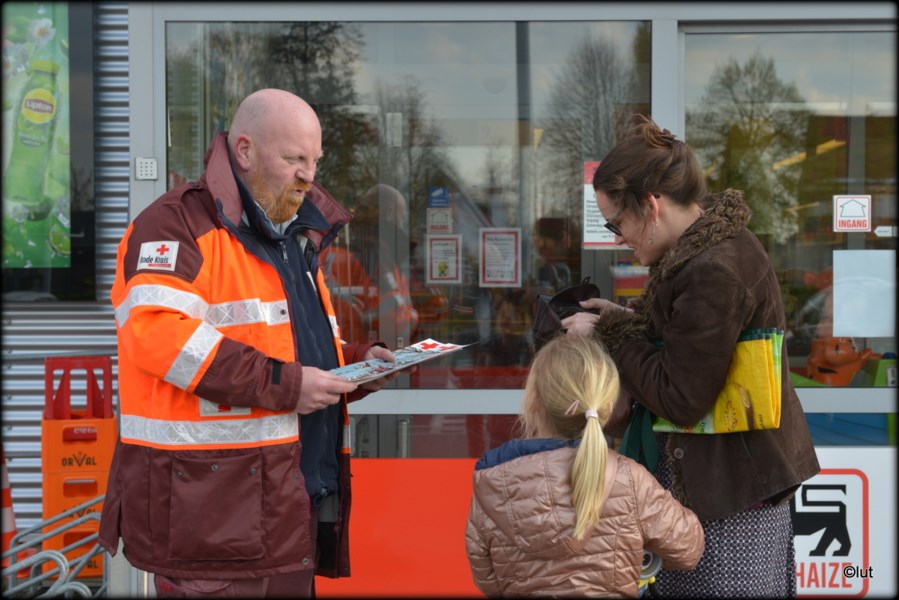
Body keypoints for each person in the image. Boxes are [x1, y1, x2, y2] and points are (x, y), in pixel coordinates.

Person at [98, 88, 404, 598]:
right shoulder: (174, 226)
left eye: (314, 159)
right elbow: (160, 337)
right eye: (293, 158)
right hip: (214, 517)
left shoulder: (293, 239)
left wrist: (355, 365)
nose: (309, 173)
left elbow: (292, 345)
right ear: (244, 151)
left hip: (283, 504)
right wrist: (288, 385)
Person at [563, 113, 820, 597]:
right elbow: (686, 343)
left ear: (651, 205)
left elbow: (681, 394)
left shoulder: (713, 269)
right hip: (714, 485)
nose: (616, 236)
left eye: (616, 222)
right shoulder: (700, 251)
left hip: (730, 496)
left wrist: (613, 333)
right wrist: (620, 318)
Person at [465, 333, 704, 598]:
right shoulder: (631, 480)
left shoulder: (492, 484)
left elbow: (488, 581)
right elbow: (689, 549)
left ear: (533, 401)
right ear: (608, 406)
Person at [320, 183, 419, 347]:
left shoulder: (328, 250)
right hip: (365, 357)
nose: (401, 225)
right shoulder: (376, 257)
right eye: (401, 218)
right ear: (389, 213)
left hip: (340, 353)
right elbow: (396, 323)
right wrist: (414, 319)